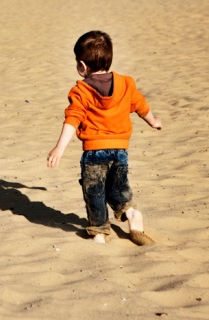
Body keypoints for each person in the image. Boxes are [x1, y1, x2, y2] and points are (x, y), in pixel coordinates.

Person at [47, 30, 162, 245]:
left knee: (95, 192)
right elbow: (140, 105)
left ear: (82, 66)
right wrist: (153, 120)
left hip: (94, 152)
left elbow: (73, 120)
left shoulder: (81, 91)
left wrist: (59, 148)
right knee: (117, 187)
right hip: (120, 151)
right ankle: (130, 213)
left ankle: (99, 232)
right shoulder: (126, 84)